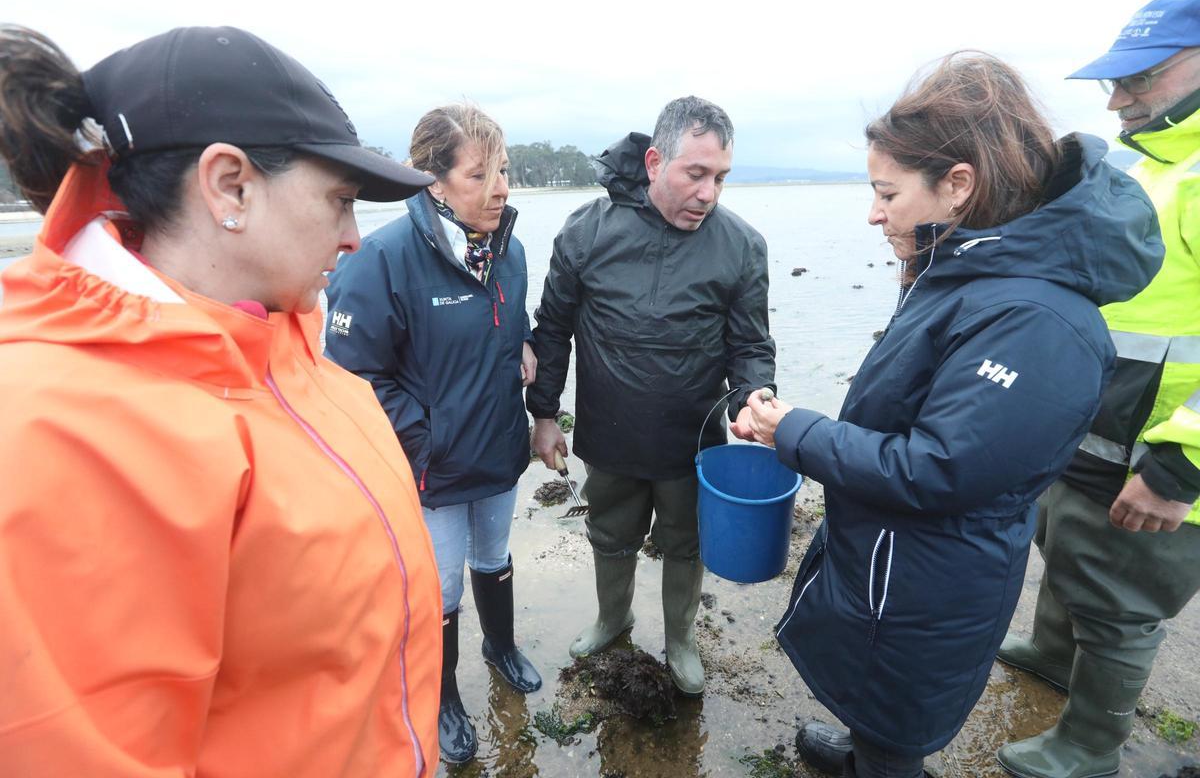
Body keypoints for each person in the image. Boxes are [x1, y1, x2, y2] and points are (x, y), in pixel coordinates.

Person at [0, 26, 443, 777]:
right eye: (339, 200)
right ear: (230, 184)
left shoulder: (279, 342)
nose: (354, 238)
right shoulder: (69, 433)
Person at [745, 53, 1163, 778]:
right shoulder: (972, 267)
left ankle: (883, 759)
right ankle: (865, 747)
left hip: (931, 578)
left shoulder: (1038, 321)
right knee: (877, 699)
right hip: (892, 558)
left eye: (887, 192)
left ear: (959, 184)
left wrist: (795, 432)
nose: (874, 212)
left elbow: (941, 470)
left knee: (900, 719)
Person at [996, 0, 1200, 778]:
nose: (1117, 98)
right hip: (1095, 426)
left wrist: (1179, 465)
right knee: (1067, 541)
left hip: (1160, 452)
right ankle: (1051, 650)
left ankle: (1088, 746)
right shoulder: (1148, 162)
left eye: (1140, 77)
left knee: (1121, 600)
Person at [527, 96, 776, 696]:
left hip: (693, 441)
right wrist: (543, 415)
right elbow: (552, 329)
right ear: (655, 161)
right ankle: (613, 618)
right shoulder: (586, 232)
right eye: (696, 173)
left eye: (720, 177)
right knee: (609, 533)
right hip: (608, 433)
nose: (709, 192)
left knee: (687, 541)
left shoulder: (741, 246)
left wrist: (755, 398)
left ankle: (681, 638)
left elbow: (751, 345)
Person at [325, 104, 540, 764]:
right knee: (438, 587)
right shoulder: (381, 260)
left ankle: (499, 647)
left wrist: (525, 353)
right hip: (434, 469)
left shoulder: (510, 251)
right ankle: (442, 694)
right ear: (433, 183)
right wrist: (426, 442)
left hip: (498, 451)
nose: (501, 186)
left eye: (504, 169)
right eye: (480, 174)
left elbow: (508, 333)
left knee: (495, 556)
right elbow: (351, 376)